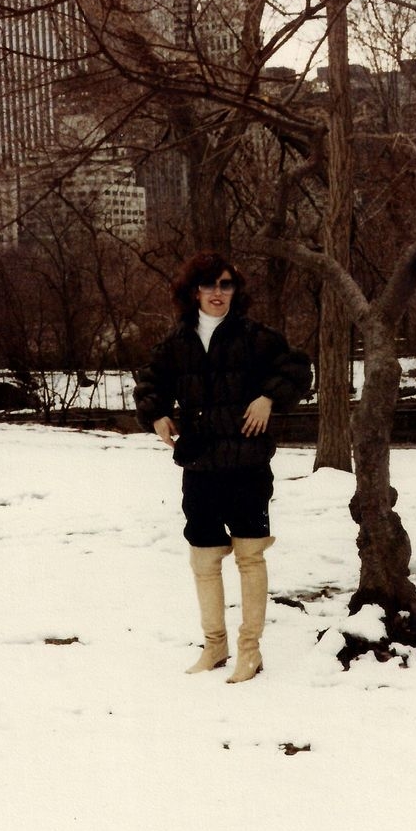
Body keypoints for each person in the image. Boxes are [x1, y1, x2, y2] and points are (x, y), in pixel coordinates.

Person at [134, 251, 312, 683]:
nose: (218, 292)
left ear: (235, 290)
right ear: (194, 291)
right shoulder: (176, 343)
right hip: (199, 464)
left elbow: (298, 368)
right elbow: (149, 382)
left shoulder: (256, 337)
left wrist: (268, 397)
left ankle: (250, 651)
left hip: (248, 464)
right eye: (210, 284)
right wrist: (156, 414)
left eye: (226, 284)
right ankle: (214, 645)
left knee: (250, 556)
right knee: (204, 558)